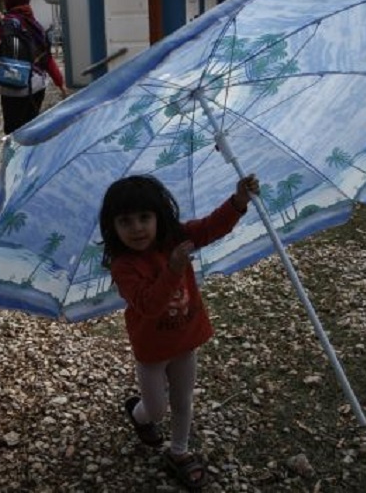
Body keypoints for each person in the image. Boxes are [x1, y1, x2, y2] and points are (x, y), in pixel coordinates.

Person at [98, 173, 260, 490]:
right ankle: (138, 413)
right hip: (152, 351)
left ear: (160, 215)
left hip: (186, 341)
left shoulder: (176, 238)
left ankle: (180, 451)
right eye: (125, 221)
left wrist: (238, 201)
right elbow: (148, 305)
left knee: (184, 399)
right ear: (113, 228)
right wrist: (173, 269)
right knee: (156, 411)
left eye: (145, 217)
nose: (137, 228)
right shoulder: (124, 266)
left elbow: (212, 226)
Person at [0, 0, 68, 134]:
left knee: (13, 133)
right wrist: (60, 83)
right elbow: (47, 58)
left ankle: (15, 156)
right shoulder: (35, 25)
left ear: (9, 1)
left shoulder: (6, 23)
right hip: (36, 86)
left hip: (12, 87)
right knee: (31, 129)